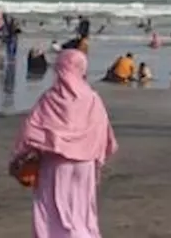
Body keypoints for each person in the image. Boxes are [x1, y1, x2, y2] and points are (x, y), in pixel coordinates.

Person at [10, 49, 118, 238]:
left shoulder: (51, 99)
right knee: (81, 212)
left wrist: (20, 156)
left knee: (52, 213)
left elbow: (31, 131)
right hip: (85, 166)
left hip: (55, 165)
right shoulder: (92, 98)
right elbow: (105, 134)